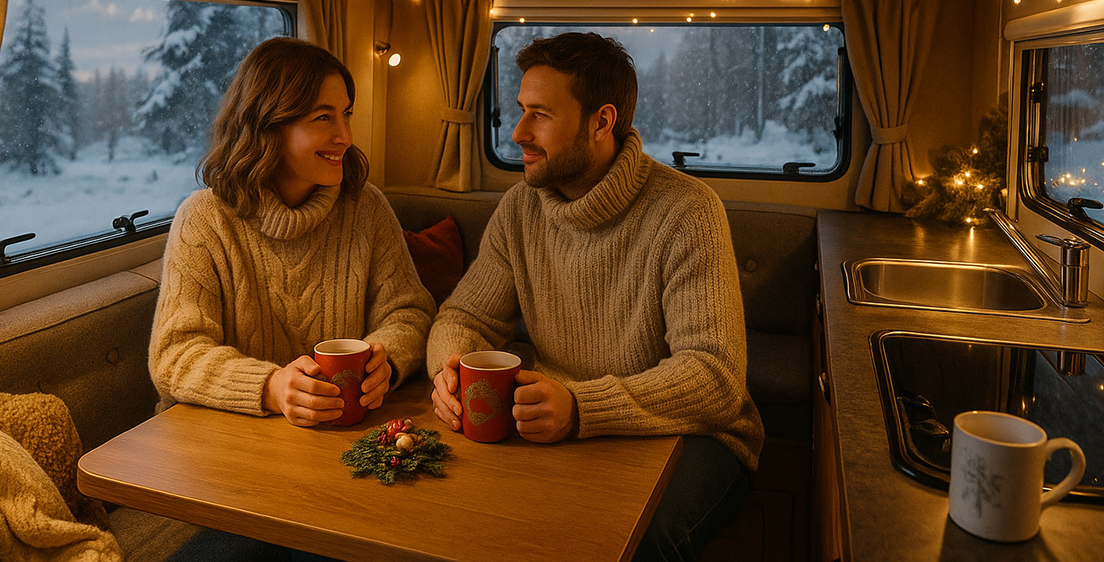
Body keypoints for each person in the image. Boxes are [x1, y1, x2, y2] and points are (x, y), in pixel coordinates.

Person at [427, 31, 763, 561]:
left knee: (632, 547)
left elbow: (714, 378)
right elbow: (465, 315)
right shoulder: (521, 208)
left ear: (601, 122)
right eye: (521, 110)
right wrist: (448, 373)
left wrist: (582, 406)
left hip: (694, 433)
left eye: (540, 114)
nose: (518, 132)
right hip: (554, 424)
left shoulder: (687, 212)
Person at [150, 37, 435, 427]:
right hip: (226, 439)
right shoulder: (204, 219)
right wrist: (271, 387)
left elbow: (409, 310)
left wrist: (386, 358)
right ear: (268, 126)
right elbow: (175, 354)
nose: (345, 137)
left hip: (343, 431)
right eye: (323, 117)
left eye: (346, 114)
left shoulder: (365, 208)